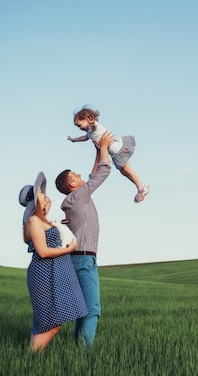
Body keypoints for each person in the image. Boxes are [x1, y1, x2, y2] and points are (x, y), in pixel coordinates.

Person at [55, 131, 114, 352]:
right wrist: (106, 148)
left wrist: (98, 150)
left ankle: (77, 351)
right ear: (71, 184)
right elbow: (101, 174)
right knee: (92, 310)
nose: (80, 175)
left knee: (83, 310)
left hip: (79, 259)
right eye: (75, 175)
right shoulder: (77, 197)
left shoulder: (75, 198)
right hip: (83, 260)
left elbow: (92, 175)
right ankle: (85, 355)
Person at [19, 171, 88, 353]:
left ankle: (32, 360)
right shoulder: (33, 221)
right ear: (34, 199)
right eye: (40, 193)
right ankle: (32, 358)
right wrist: (68, 249)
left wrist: (46, 210)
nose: (44, 194)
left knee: (48, 323)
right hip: (44, 274)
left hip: (50, 273)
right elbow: (42, 251)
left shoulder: (39, 220)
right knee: (50, 323)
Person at [67, 105, 150, 203]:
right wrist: (74, 140)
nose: (80, 128)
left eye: (80, 125)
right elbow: (84, 138)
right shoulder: (89, 132)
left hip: (119, 149)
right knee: (123, 172)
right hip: (115, 154)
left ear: (87, 119)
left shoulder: (94, 127)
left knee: (127, 170)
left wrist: (93, 123)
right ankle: (140, 186)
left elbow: (94, 125)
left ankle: (141, 188)